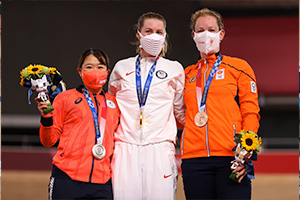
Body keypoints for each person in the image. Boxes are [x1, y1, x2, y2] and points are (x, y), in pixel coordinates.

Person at [181, 8, 260, 200]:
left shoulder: (239, 68)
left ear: (221, 34)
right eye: (200, 31)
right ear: (193, 36)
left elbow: (250, 110)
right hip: (194, 160)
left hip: (230, 158)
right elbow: (179, 114)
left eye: (211, 29)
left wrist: (245, 151)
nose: (205, 34)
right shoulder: (185, 74)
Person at [108, 12, 185, 200]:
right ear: (138, 34)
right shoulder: (121, 68)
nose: (154, 36)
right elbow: (110, 111)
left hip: (160, 149)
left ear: (165, 36)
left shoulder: (174, 69)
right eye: (148, 31)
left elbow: (180, 114)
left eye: (159, 32)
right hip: (125, 148)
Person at [35, 48, 120, 200]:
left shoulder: (115, 104)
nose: (95, 71)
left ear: (107, 73)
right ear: (80, 71)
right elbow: (48, 141)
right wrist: (46, 117)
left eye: (100, 67)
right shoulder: (65, 98)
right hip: (66, 179)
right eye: (89, 67)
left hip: (103, 183)